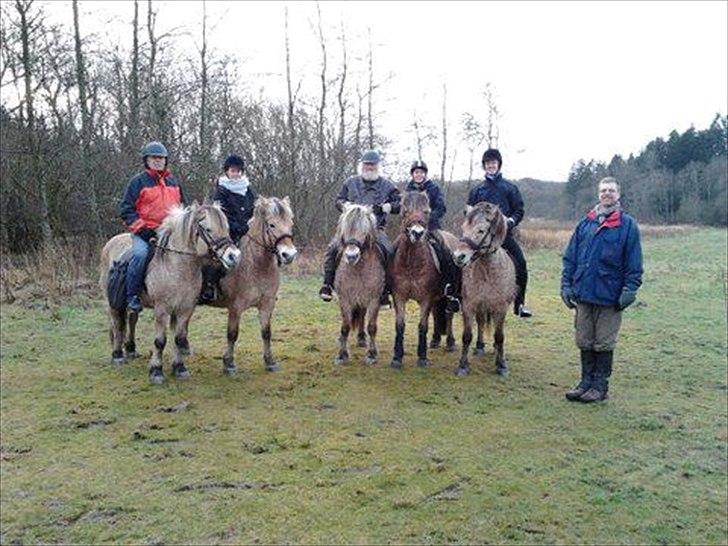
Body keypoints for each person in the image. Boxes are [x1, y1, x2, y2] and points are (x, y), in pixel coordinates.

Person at [561, 177, 643, 403]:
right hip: (584, 294)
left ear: (618, 195)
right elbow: (570, 258)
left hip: (610, 296)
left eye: (611, 191)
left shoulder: (627, 226)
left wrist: (630, 290)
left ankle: (600, 387)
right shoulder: (585, 223)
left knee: (603, 342)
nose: (607, 194)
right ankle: (585, 383)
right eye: (603, 190)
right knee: (584, 340)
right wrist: (566, 286)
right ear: (599, 194)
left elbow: (634, 264)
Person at [319, 150, 401, 305]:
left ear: (377, 166)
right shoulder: (351, 182)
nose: (369, 167)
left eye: (372, 164)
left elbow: (400, 204)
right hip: (350, 229)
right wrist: (346, 205)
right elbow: (338, 200)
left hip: (376, 229)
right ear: (362, 165)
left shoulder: (387, 185)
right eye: (367, 164)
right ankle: (327, 284)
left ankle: (385, 290)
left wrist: (385, 207)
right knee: (332, 248)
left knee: (389, 251)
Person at [119, 141, 186, 313]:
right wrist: (144, 231)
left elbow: (182, 208)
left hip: (171, 233)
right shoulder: (138, 182)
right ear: (146, 160)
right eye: (153, 158)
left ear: (166, 160)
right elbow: (126, 210)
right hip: (145, 232)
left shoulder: (173, 182)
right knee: (140, 255)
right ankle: (132, 296)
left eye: (161, 158)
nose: (157, 161)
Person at [467, 148, 532, 317]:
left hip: (503, 236)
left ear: (498, 165)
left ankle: (519, 304)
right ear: (484, 166)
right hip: (480, 238)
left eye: (494, 163)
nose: (491, 166)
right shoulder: (477, 190)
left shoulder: (510, 188)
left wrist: (511, 221)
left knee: (521, 264)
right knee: (461, 260)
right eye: (488, 163)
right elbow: (469, 212)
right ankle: (459, 298)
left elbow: (519, 210)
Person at [405, 160, 460, 314]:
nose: (419, 175)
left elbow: (441, 208)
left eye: (421, 172)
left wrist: (426, 219)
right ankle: (389, 287)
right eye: (416, 172)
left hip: (431, 228)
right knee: (394, 250)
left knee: (444, 252)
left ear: (425, 174)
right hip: (409, 229)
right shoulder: (408, 190)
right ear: (412, 174)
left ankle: (450, 289)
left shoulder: (433, 188)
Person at [199, 154, 256, 303]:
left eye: (238, 171)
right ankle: (209, 287)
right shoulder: (221, 190)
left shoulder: (248, 190)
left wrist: (250, 222)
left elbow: (253, 208)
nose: (235, 174)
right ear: (227, 172)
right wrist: (237, 227)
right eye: (232, 170)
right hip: (226, 230)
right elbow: (221, 214)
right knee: (216, 256)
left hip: (246, 229)